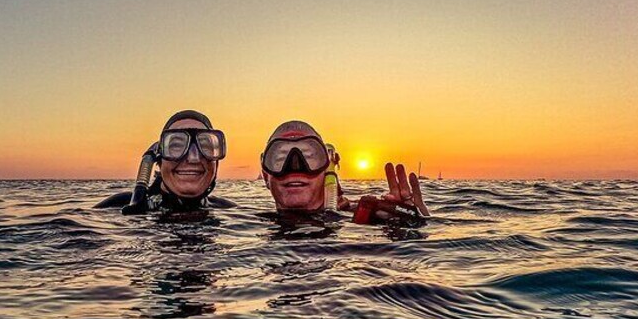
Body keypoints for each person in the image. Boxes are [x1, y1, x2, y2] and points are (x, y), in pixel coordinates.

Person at [260, 120, 430, 224]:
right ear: (265, 174)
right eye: (281, 158)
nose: (295, 167)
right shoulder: (240, 224)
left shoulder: (367, 215)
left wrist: (416, 221)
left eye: (309, 157)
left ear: (327, 168)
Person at [94, 110, 235, 213]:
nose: (193, 158)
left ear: (216, 164)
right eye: (176, 146)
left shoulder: (230, 211)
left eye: (205, 146)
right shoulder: (116, 208)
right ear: (159, 160)